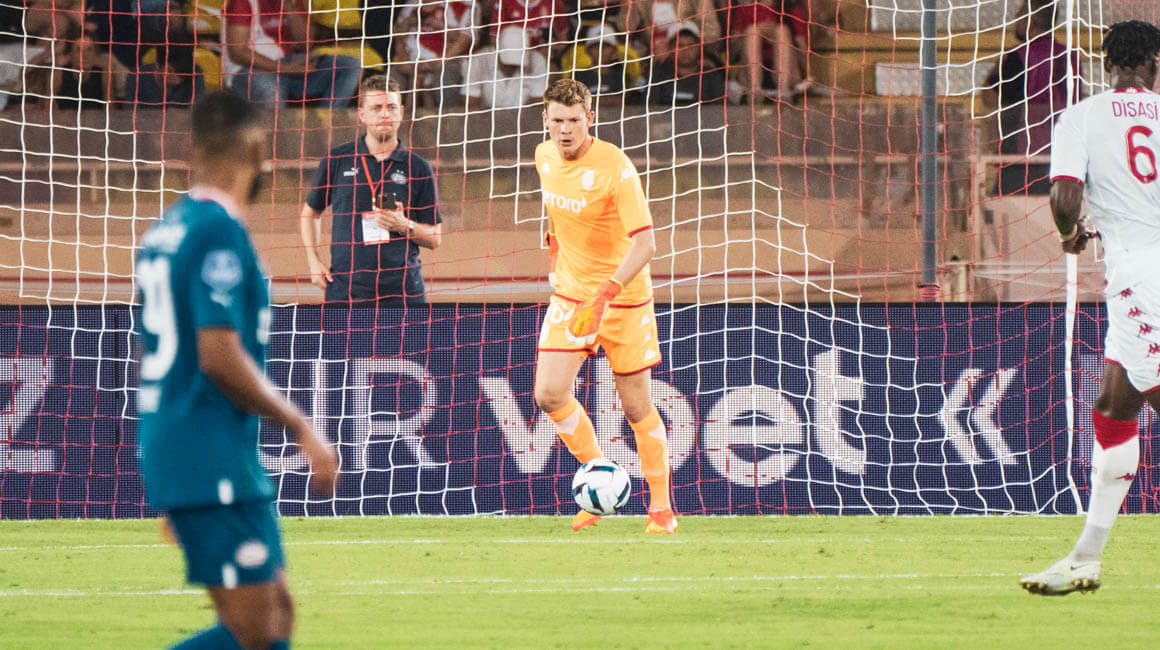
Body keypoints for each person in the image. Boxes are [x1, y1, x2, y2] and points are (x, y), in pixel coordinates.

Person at [134, 90, 338, 647]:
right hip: (206, 449)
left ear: (193, 151)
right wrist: (301, 426)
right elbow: (218, 355)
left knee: (275, 616)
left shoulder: (168, 227)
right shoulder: (218, 230)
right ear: (255, 150)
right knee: (256, 631)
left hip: (193, 445)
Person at [1021, 20, 1160, 596]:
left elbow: (1064, 195)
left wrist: (1068, 234)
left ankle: (1083, 558)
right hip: (1145, 274)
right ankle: (1084, 559)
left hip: (1140, 277)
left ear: (1107, 66)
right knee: (1114, 407)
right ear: (1154, 65)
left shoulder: (1081, 116)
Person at [533, 78, 677, 534]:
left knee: (635, 407)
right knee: (548, 394)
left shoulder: (616, 167)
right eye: (558, 120)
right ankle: (600, 481)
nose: (565, 130)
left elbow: (646, 244)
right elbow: (556, 216)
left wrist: (606, 294)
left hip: (623, 298)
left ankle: (661, 510)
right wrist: (555, 259)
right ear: (545, 120)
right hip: (572, 296)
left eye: (574, 120)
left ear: (590, 119)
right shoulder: (543, 156)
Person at [300, 74, 443, 307]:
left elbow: (435, 238)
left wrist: (403, 225)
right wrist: (313, 261)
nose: (385, 114)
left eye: (391, 107)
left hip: (403, 292)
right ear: (362, 114)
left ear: (401, 113)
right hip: (345, 290)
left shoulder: (418, 167)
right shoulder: (338, 159)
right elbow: (310, 214)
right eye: (376, 108)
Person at [983, 0, 1081, 195]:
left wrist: (996, 69)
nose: (1016, 19)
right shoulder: (1071, 57)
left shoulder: (1018, 56)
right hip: (1063, 158)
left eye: (1020, 15)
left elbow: (989, 98)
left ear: (1030, 20)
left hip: (1022, 161)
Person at [222, 0, 361, 108]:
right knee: (272, 92)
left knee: (349, 66)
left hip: (288, 62)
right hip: (248, 70)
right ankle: (276, 137)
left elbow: (306, 41)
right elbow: (238, 52)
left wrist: (288, 6)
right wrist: (286, 69)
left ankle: (325, 127)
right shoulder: (242, 2)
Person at [461, 26, 550, 111]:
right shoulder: (478, 61)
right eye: (508, 63)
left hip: (523, 117)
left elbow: (538, 104)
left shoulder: (537, 61)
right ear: (497, 49)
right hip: (485, 117)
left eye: (516, 64)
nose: (512, 67)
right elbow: (470, 103)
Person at [645, 21, 727, 106]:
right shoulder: (658, 76)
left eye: (691, 46)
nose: (685, 50)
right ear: (671, 48)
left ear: (699, 47)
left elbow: (720, 109)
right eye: (680, 46)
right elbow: (649, 108)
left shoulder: (711, 76)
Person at [125, 37, 206, 107]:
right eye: (170, 71)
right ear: (158, 65)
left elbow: (197, 111)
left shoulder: (195, 73)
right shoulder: (136, 77)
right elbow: (131, 114)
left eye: (184, 72)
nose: (178, 79)